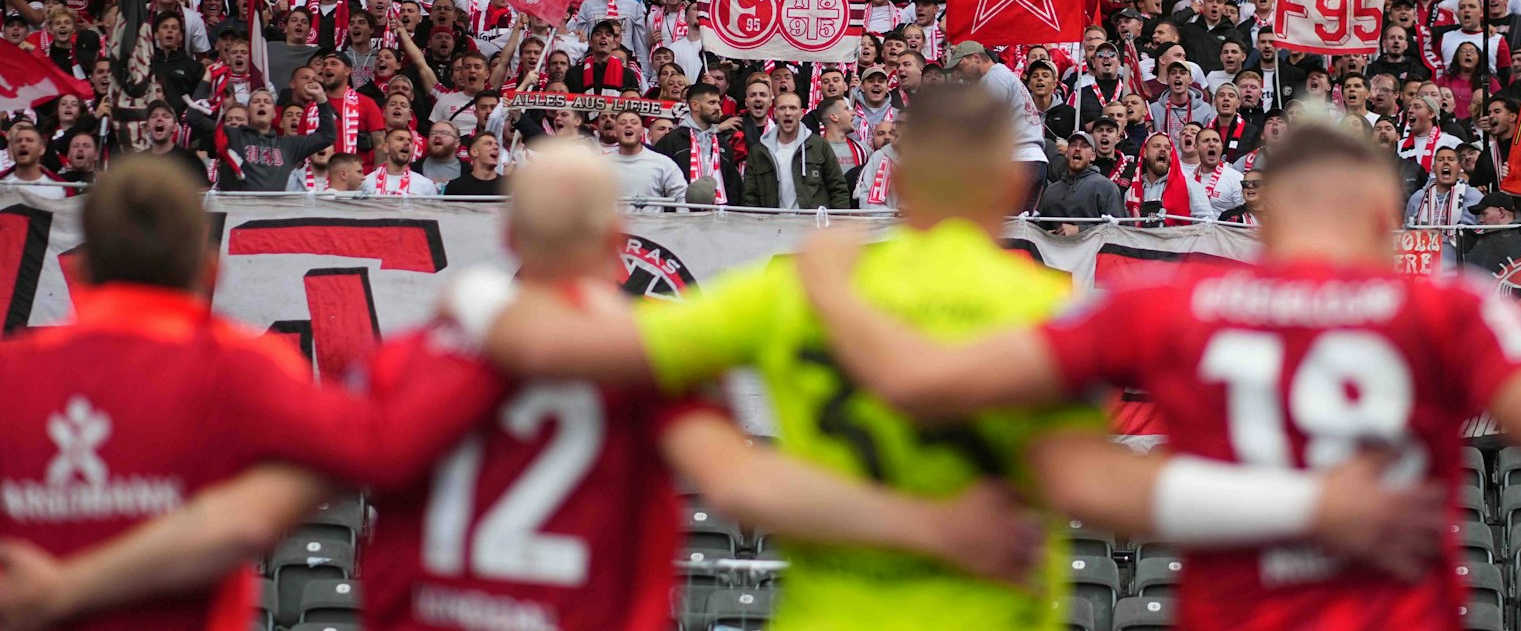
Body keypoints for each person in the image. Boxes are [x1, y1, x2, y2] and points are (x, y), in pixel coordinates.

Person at [791, 120, 1521, 631]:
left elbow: (922, 381)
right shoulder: (1444, 306)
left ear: (1261, 215)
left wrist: (834, 282)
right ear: (1385, 214)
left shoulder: (1172, 303)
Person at [440, 87, 1445, 631]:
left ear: (898, 173)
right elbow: (1096, 484)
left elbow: (572, 343)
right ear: (1013, 187)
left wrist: (484, 284)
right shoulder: (1040, 306)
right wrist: (1305, 508)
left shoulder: (798, 283)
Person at [0, 145, 1043, 631]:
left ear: (503, 236)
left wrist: (68, 591)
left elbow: (250, 514)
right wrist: (927, 527)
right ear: (617, 244)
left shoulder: (417, 358)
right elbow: (751, 490)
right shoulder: (645, 363)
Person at [0, 159, 509, 631]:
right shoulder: (241, 367)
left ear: (82, 270)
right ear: (210, 270)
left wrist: (64, 587)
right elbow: (383, 443)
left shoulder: (11, 371)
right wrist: (487, 319)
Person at [945, 41, 1051, 197]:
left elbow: (986, 126)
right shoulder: (1004, 74)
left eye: (961, 66)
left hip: (1018, 160)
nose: (960, 73)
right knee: (1020, 220)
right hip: (1034, 159)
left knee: (1003, 219)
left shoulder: (993, 79)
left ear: (976, 57)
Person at [183, 85, 337, 192]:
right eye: (256, 101)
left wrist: (322, 99)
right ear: (248, 113)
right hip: (236, 219)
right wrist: (208, 78)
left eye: (267, 102)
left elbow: (327, 136)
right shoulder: (231, 135)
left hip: (269, 223)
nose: (261, 103)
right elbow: (193, 117)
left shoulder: (288, 146)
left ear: (275, 114)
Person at [743, 91, 851, 209]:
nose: (788, 113)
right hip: (772, 225)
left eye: (793, 108)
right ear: (774, 113)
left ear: (801, 114)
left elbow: (838, 188)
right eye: (782, 108)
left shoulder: (819, 145)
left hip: (811, 225)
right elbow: (750, 196)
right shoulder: (758, 151)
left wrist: (839, 222)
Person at [1034, 132, 1127, 230]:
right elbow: (1041, 230)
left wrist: (1079, 230)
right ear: (1067, 153)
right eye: (1073, 145)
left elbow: (1119, 230)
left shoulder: (1106, 187)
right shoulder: (1051, 191)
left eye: (1084, 146)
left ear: (1093, 156)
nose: (1077, 149)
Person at [604, 108, 688, 204]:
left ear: (642, 131)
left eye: (634, 122)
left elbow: (681, 196)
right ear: (615, 131)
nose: (628, 125)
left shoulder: (663, 163)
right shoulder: (600, 165)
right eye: (622, 123)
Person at [364, 126, 441, 197]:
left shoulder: (426, 185)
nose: (407, 143)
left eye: (410, 141)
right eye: (400, 139)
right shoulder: (366, 183)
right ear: (386, 148)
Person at [443, 131, 506, 196]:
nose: (496, 147)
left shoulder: (508, 186)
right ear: (474, 152)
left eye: (496, 144)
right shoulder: (455, 187)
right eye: (489, 144)